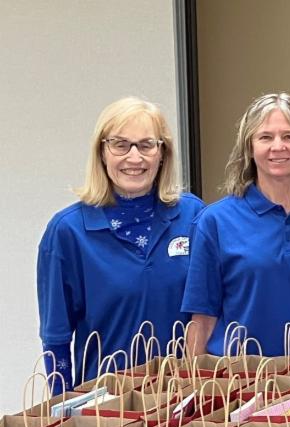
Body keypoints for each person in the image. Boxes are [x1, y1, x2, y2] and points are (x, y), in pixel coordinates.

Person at [37, 97, 204, 388]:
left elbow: (213, 312)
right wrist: (62, 407)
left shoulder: (194, 216)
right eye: (120, 145)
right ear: (102, 152)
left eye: (146, 145)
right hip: (107, 404)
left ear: (162, 153)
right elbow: (56, 339)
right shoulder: (67, 232)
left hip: (184, 399)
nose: (134, 158)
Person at [183, 93, 290, 357]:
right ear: (249, 147)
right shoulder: (215, 222)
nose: (278, 146)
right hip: (238, 378)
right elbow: (203, 320)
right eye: (265, 137)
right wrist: (193, 379)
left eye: (289, 136)